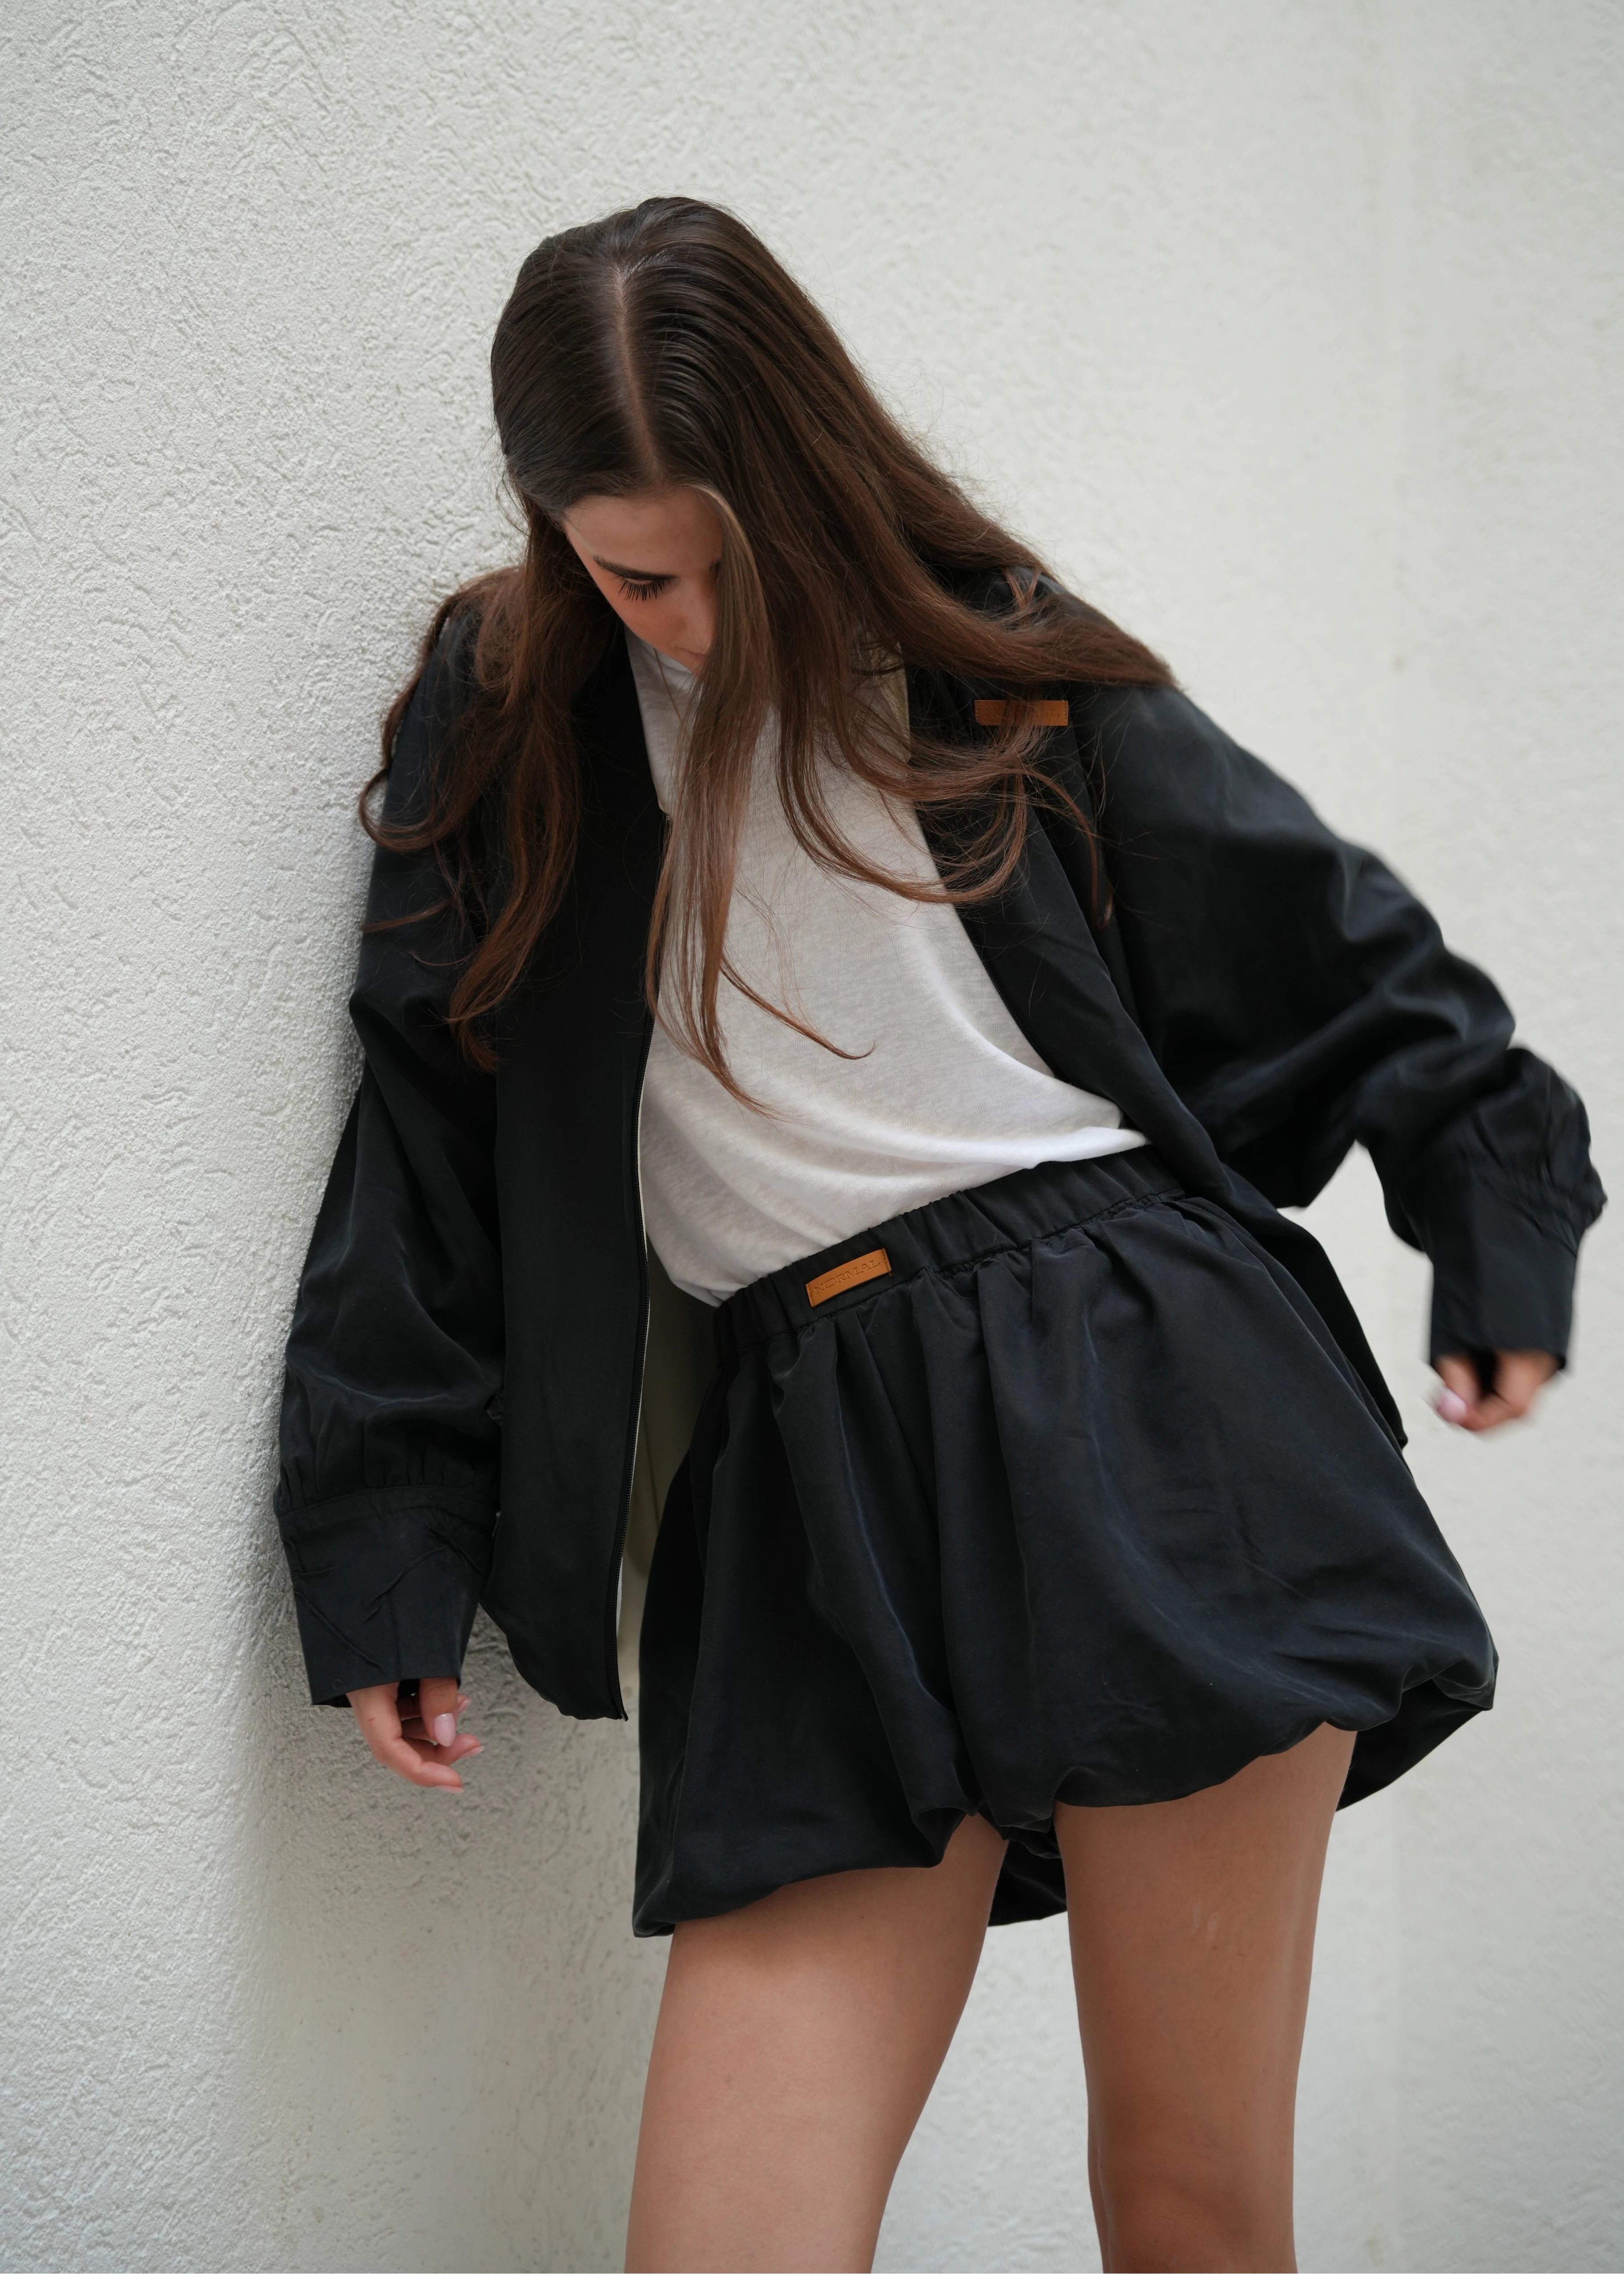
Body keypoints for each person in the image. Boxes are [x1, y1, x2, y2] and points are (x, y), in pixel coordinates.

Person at [274, 198, 1604, 2274]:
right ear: (554, 533)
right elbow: (427, 1148)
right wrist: (387, 1551)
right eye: (635, 573)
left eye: (732, 564)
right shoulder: (515, 716)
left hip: (1143, 1387)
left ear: (811, 485)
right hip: (800, 1468)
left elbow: (1341, 959)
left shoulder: (987, 659)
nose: (692, 622)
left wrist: (1492, 1229)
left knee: (1188, 2208)